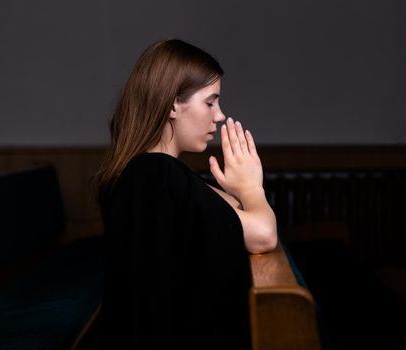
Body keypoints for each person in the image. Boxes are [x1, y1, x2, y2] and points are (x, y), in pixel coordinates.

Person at [95, 39, 277, 350]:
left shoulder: (158, 174)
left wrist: (240, 192)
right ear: (172, 105)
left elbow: (231, 218)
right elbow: (262, 234)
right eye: (210, 102)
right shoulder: (156, 174)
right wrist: (251, 189)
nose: (219, 116)